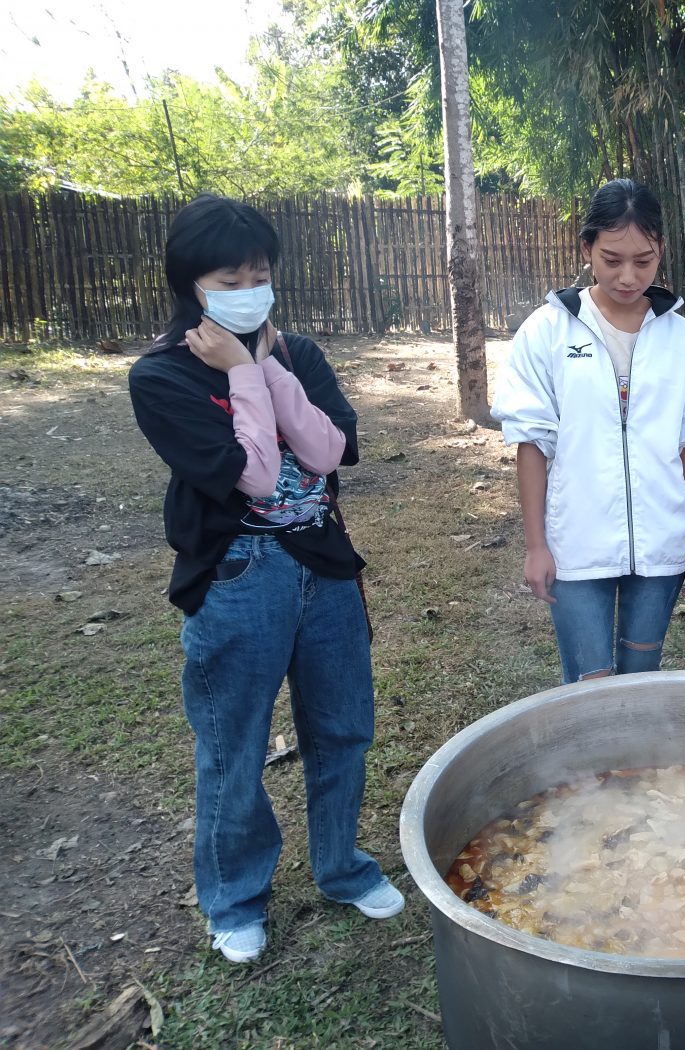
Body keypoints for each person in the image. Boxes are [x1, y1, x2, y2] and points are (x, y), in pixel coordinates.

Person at [128, 195, 401, 965]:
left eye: (261, 270)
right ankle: (237, 899)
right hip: (239, 575)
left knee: (343, 728)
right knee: (234, 746)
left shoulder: (300, 352)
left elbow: (330, 449)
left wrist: (267, 369)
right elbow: (247, 477)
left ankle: (343, 869)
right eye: (231, 274)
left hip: (324, 567)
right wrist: (244, 373)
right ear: (192, 284)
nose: (251, 285)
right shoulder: (161, 377)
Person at [491, 178, 685, 682]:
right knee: (589, 688)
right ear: (586, 248)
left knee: (640, 680)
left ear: (660, 250)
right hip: (577, 543)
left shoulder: (679, 336)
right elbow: (532, 443)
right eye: (612, 259)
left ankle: (636, 766)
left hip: (661, 543)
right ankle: (595, 767)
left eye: (644, 260)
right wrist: (536, 545)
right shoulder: (548, 330)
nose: (627, 275)